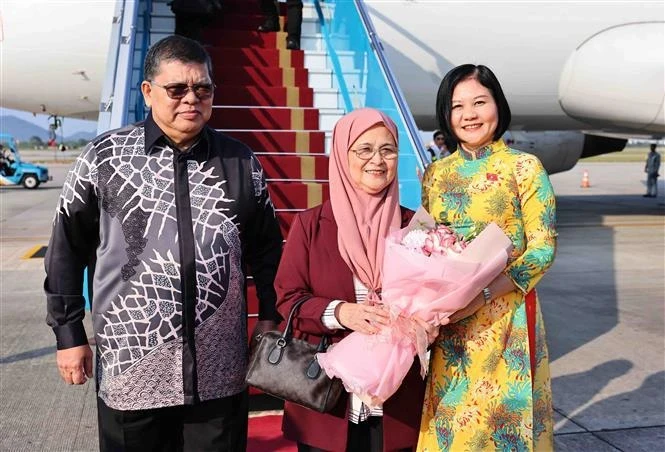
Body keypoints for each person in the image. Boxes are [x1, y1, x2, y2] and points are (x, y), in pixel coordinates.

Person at [44, 35, 283, 451]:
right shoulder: (104, 157)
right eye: (177, 89)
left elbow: (268, 251)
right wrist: (69, 334)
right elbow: (66, 250)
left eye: (202, 88)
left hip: (218, 371)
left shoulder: (241, 162)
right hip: (130, 366)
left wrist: (269, 315)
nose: (191, 98)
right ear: (148, 92)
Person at [273, 108, 439, 452]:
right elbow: (288, 298)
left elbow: (437, 298)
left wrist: (428, 321)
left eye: (388, 149)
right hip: (328, 397)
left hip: (397, 399)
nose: (377, 160)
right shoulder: (312, 225)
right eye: (364, 149)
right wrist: (340, 312)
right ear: (342, 155)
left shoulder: (417, 227)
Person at [418, 64, 556, 451]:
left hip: (506, 320)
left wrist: (480, 295)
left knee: (505, 425)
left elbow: (542, 248)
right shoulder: (435, 174)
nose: (469, 115)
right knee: (453, 425)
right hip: (451, 324)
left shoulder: (524, 168)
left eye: (480, 102)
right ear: (447, 114)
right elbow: (427, 244)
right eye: (458, 106)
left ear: (498, 105)